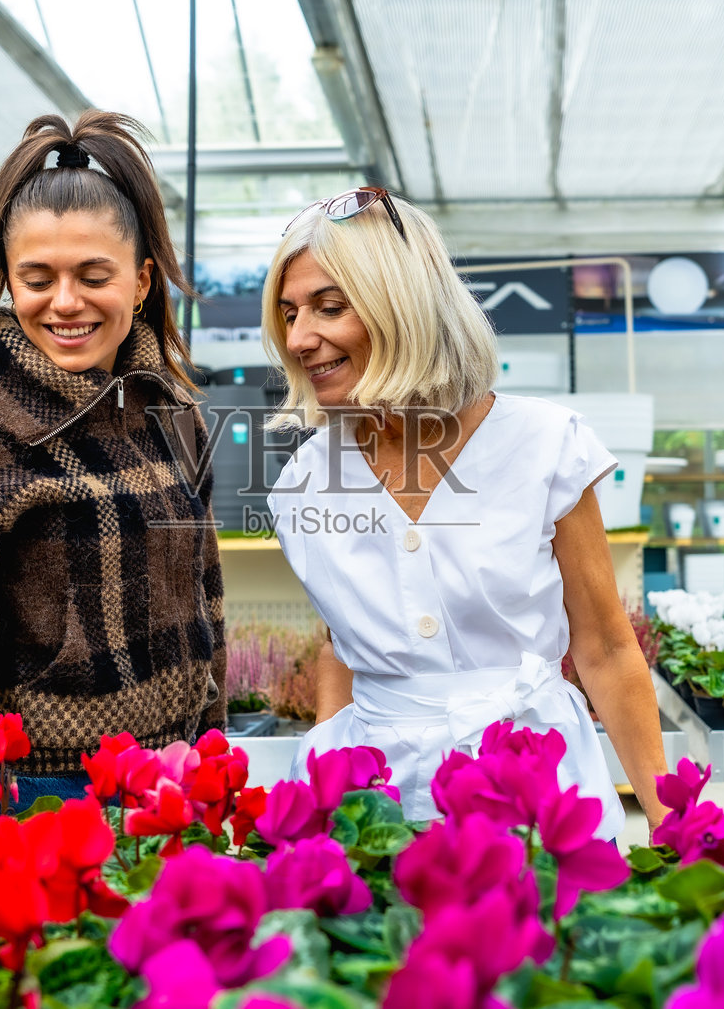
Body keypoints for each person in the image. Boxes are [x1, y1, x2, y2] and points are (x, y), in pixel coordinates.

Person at [262, 188, 668, 835]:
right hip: (380, 804)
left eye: (329, 307)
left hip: (535, 791)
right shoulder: (305, 481)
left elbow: (606, 648)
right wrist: (327, 801)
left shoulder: (542, 445)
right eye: (288, 315)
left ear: (402, 305)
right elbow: (343, 647)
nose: (298, 339)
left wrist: (672, 819)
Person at [0, 111, 227, 812]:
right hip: (38, 796)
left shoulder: (175, 416)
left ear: (142, 281)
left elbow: (205, 602)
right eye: (37, 279)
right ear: (9, 281)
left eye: (94, 275)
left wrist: (212, 751)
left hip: (172, 781)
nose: (65, 303)